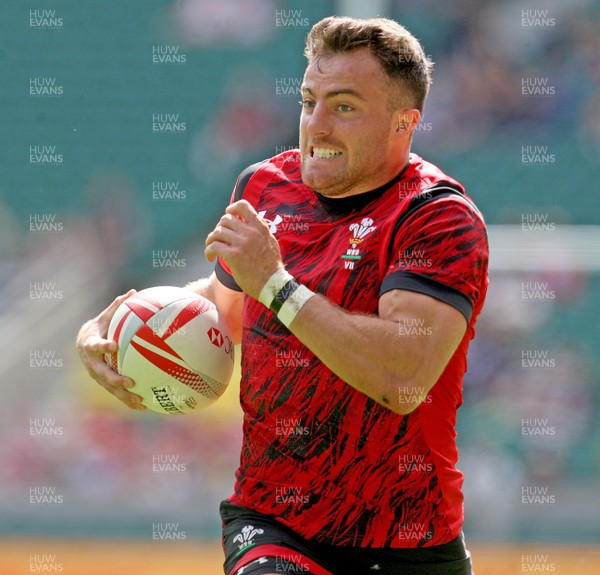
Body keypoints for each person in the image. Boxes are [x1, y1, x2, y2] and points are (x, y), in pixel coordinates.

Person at [77, 16, 488, 575]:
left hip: (407, 539)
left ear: (404, 122)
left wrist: (275, 283)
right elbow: (227, 305)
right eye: (308, 100)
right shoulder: (264, 186)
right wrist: (121, 328)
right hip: (273, 523)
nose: (316, 125)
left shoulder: (438, 218)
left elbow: (404, 378)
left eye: (343, 107)